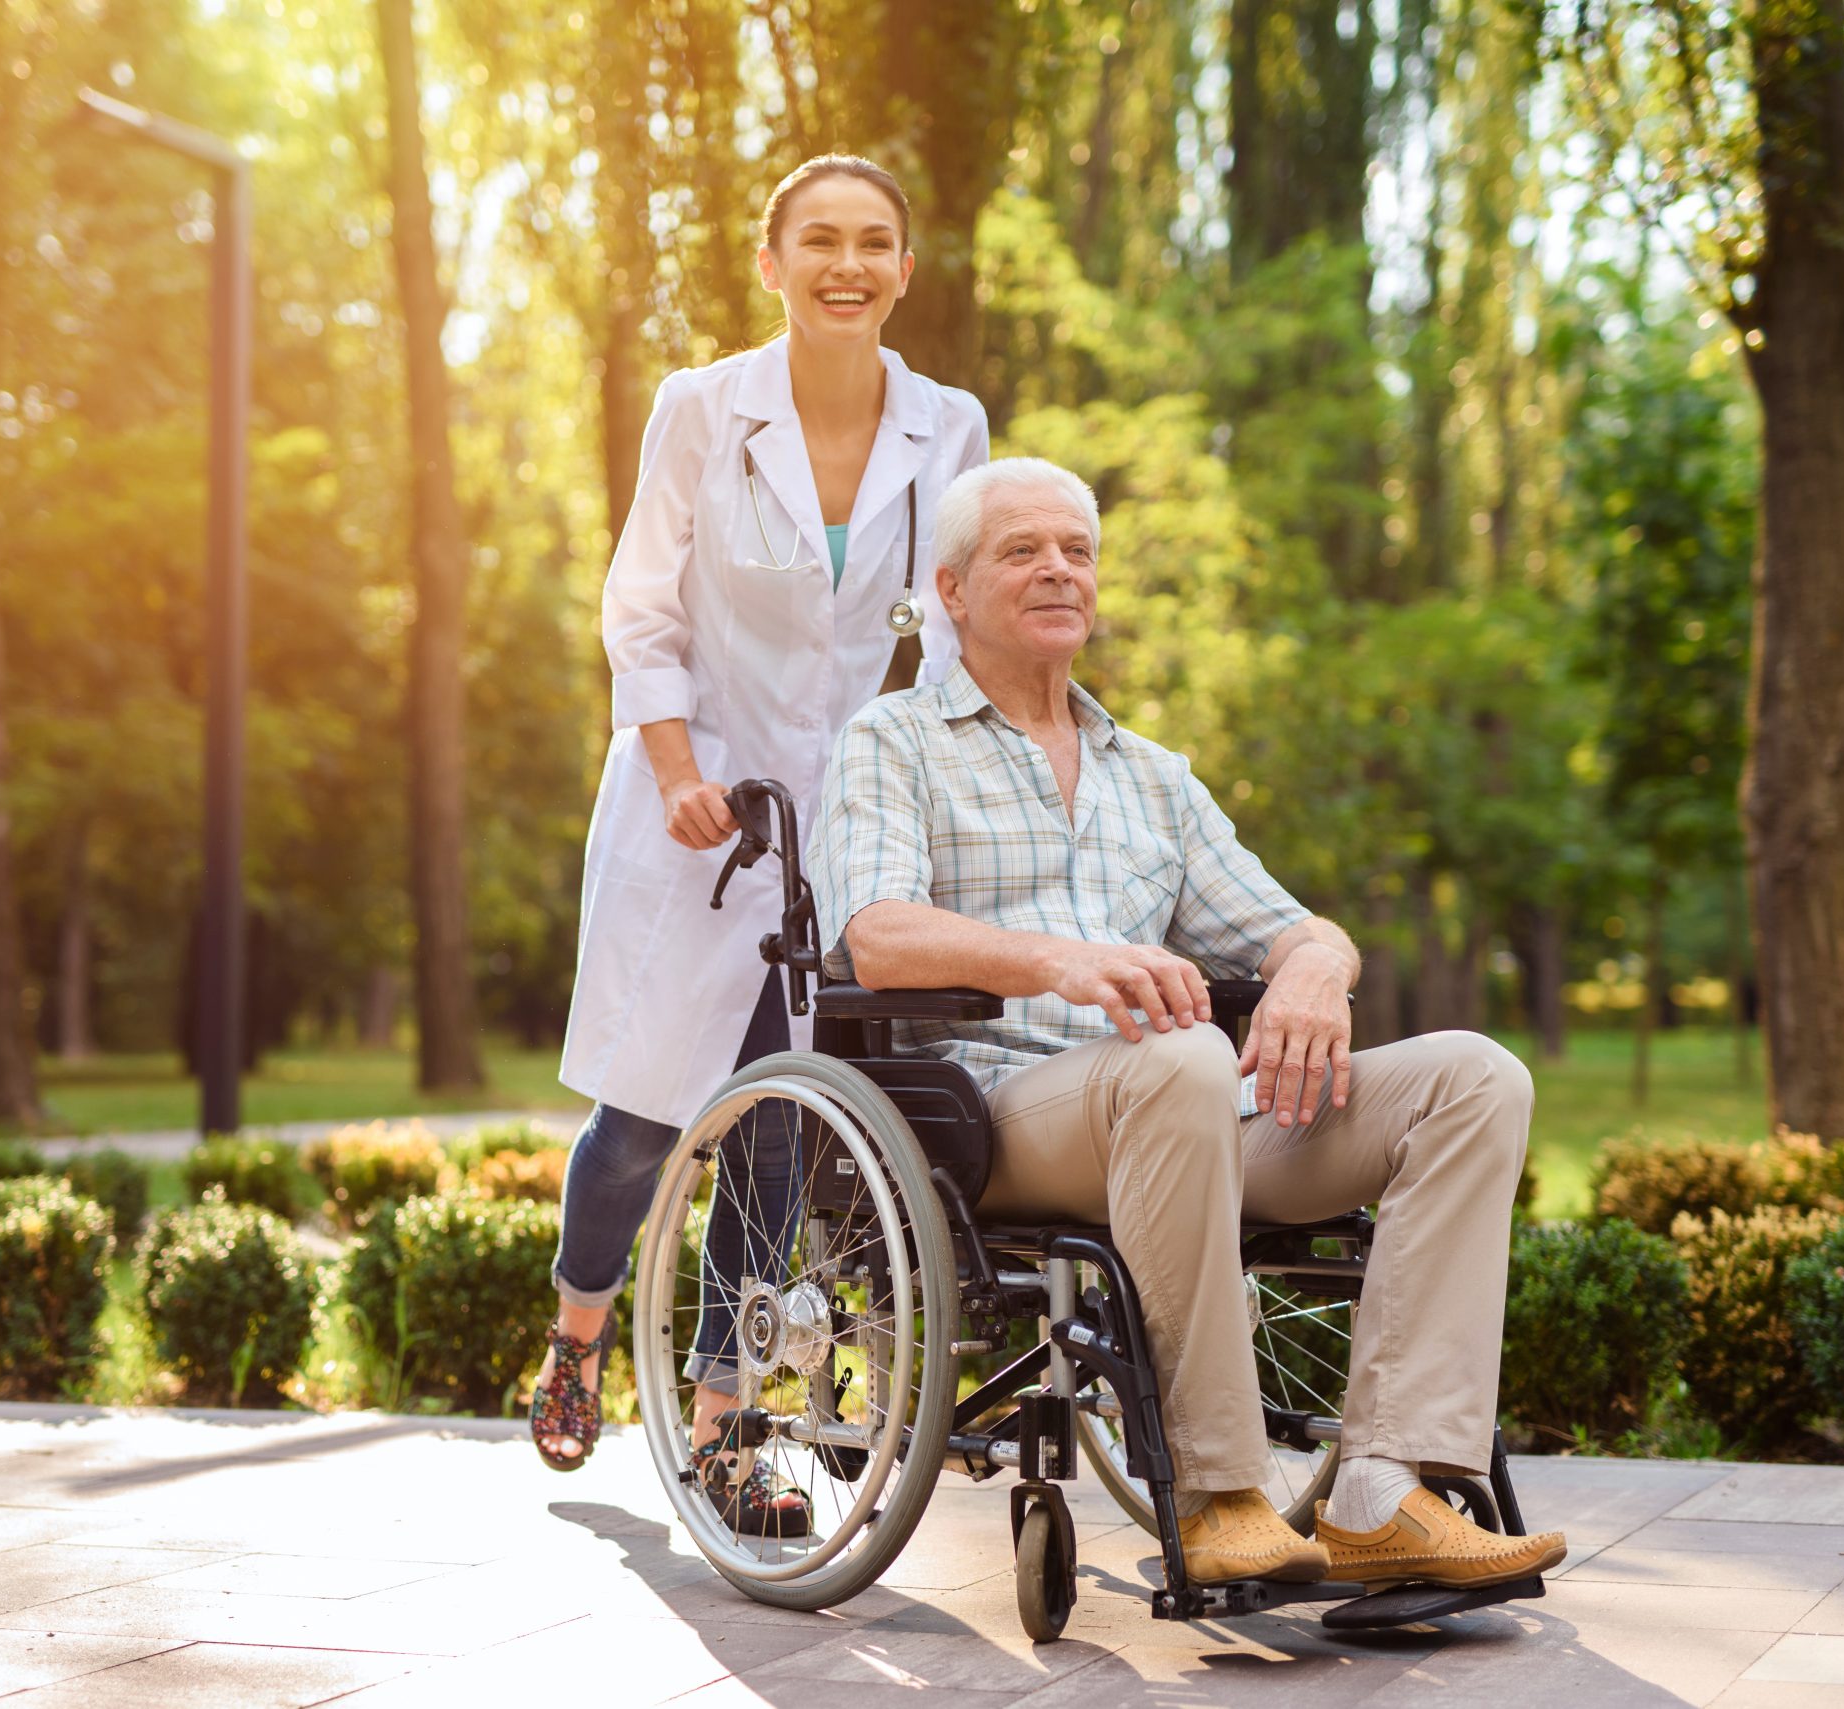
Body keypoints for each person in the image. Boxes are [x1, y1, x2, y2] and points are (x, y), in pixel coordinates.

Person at [806, 456, 1568, 1589]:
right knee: (1177, 1055)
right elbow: (877, 932)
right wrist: (1059, 961)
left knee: (1472, 1075)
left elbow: (1288, 924)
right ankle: (1219, 1491)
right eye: (1023, 550)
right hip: (998, 1111)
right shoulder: (893, 739)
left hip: (1197, 1106)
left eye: (1076, 550)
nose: (1058, 569)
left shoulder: (1151, 775)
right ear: (954, 589)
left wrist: (1316, 968)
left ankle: (1381, 1490)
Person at [531, 155, 991, 1539]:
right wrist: (677, 770)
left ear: (905, 269)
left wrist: (932, 790)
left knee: (785, 1127)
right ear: (775, 260)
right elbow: (643, 604)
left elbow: (952, 625)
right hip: (702, 804)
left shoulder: (948, 424)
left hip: (845, 819)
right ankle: (576, 1329)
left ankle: (725, 1421)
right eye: (821, 242)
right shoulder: (702, 408)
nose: (846, 265)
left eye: (874, 243)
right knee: (643, 1115)